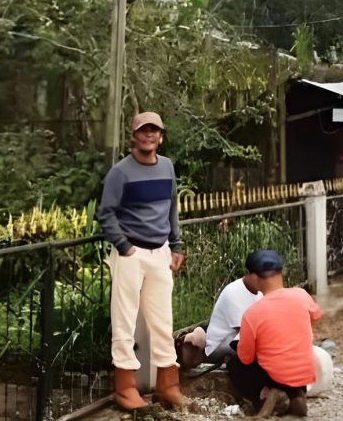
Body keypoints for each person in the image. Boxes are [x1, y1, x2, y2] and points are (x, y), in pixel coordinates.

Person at [96, 112, 185, 410]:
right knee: (124, 321)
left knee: (163, 320)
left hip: (159, 252)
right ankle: (125, 388)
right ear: (133, 136)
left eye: (154, 131)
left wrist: (176, 245)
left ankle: (168, 384)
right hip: (130, 253)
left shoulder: (168, 167)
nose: (148, 135)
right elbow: (105, 212)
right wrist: (123, 246)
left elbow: (173, 208)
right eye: (143, 131)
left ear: (160, 136)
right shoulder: (121, 172)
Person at [228, 250, 322, 418]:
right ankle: (296, 395)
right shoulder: (302, 295)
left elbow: (246, 358)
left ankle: (264, 398)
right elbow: (314, 316)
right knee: (293, 355)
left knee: (234, 364)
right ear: (282, 272)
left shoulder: (253, 313)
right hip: (303, 375)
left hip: (275, 376)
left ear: (254, 277)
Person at [178, 272, 263, 369]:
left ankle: (194, 348)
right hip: (219, 345)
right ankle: (194, 351)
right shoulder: (235, 291)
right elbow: (245, 333)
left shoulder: (260, 294)